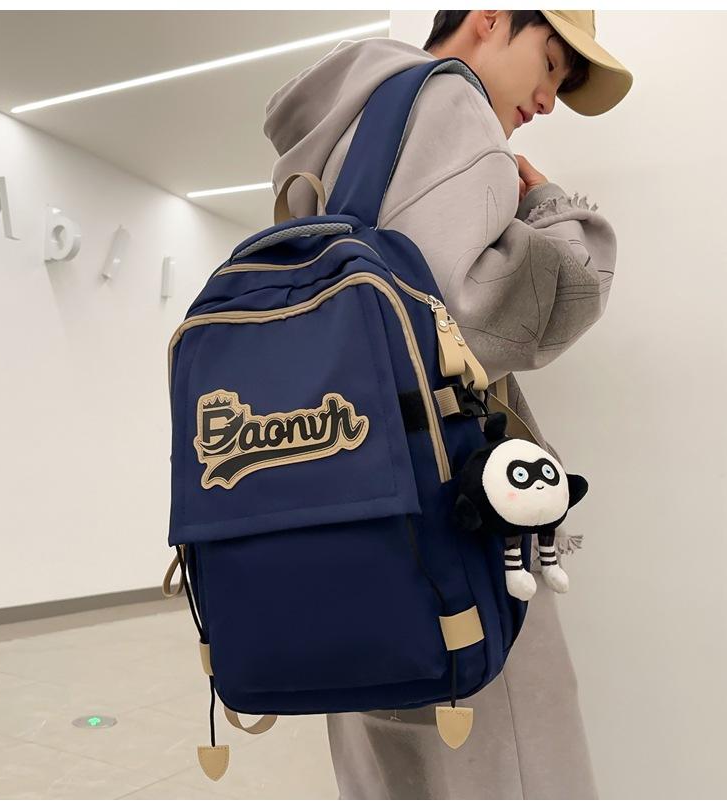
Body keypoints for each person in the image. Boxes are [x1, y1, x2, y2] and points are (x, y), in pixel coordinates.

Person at [263, 10, 632, 800]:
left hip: (349, 507)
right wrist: (560, 217)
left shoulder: (338, 134)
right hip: (448, 519)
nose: (550, 98)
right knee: (505, 749)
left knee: (394, 753)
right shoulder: (450, 103)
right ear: (490, 16)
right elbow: (472, 314)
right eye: (552, 61)